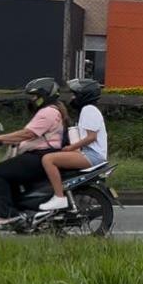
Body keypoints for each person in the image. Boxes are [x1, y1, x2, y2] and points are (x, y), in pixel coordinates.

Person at [0, 78, 70, 227]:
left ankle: (7, 214)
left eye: (35, 96)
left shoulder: (48, 112)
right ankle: (18, 212)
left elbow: (27, 134)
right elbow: (28, 135)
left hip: (39, 157)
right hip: (38, 155)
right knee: (8, 174)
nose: (32, 99)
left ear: (45, 95)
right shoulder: (51, 110)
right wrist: (5, 140)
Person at [39, 79, 108, 211]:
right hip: (89, 154)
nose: (72, 98)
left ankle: (59, 198)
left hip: (92, 156)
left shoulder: (89, 110)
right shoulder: (88, 110)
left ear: (84, 95)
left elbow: (91, 137)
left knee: (48, 159)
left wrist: (70, 148)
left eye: (75, 95)